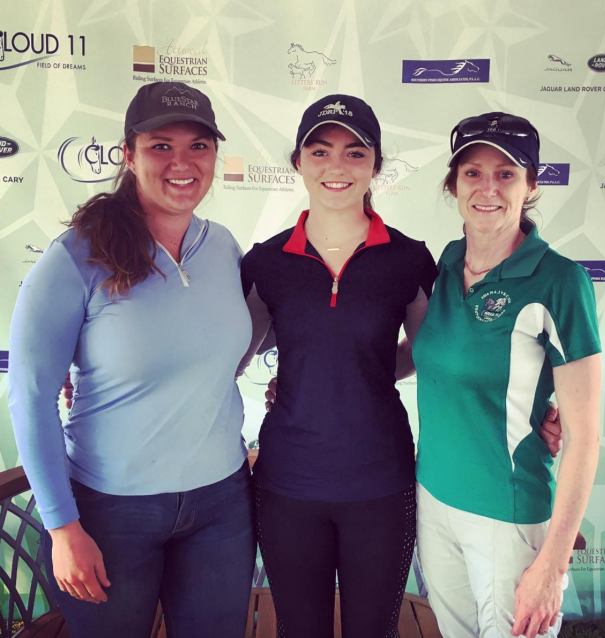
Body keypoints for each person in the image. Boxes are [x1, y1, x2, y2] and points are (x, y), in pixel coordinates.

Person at [8, 82, 255, 638]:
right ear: (128, 155)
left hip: (221, 504)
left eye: (198, 146)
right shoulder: (74, 257)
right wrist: (63, 526)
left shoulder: (223, 247)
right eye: (160, 146)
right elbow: (29, 398)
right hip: (109, 513)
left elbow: (220, 353)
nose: (182, 163)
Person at [239, 94, 439, 638]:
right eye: (320, 150)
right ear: (298, 162)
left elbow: (432, 353)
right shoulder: (264, 262)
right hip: (287, 485)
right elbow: (223, 359)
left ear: (375, 165)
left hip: (381, 482)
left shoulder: (409, 258)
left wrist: (365, 371)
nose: (336, 166)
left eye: (355, 153)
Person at [412, 112, 601, 638]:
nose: (487, 187)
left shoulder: (561, 280)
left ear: (531, 184)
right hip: (434, 499)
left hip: (508, 513)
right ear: (454, 184)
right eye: (472, 173)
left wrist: (552, 565)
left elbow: (584, 438)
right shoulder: (449, 260)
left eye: (506, 173)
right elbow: (427, 355)